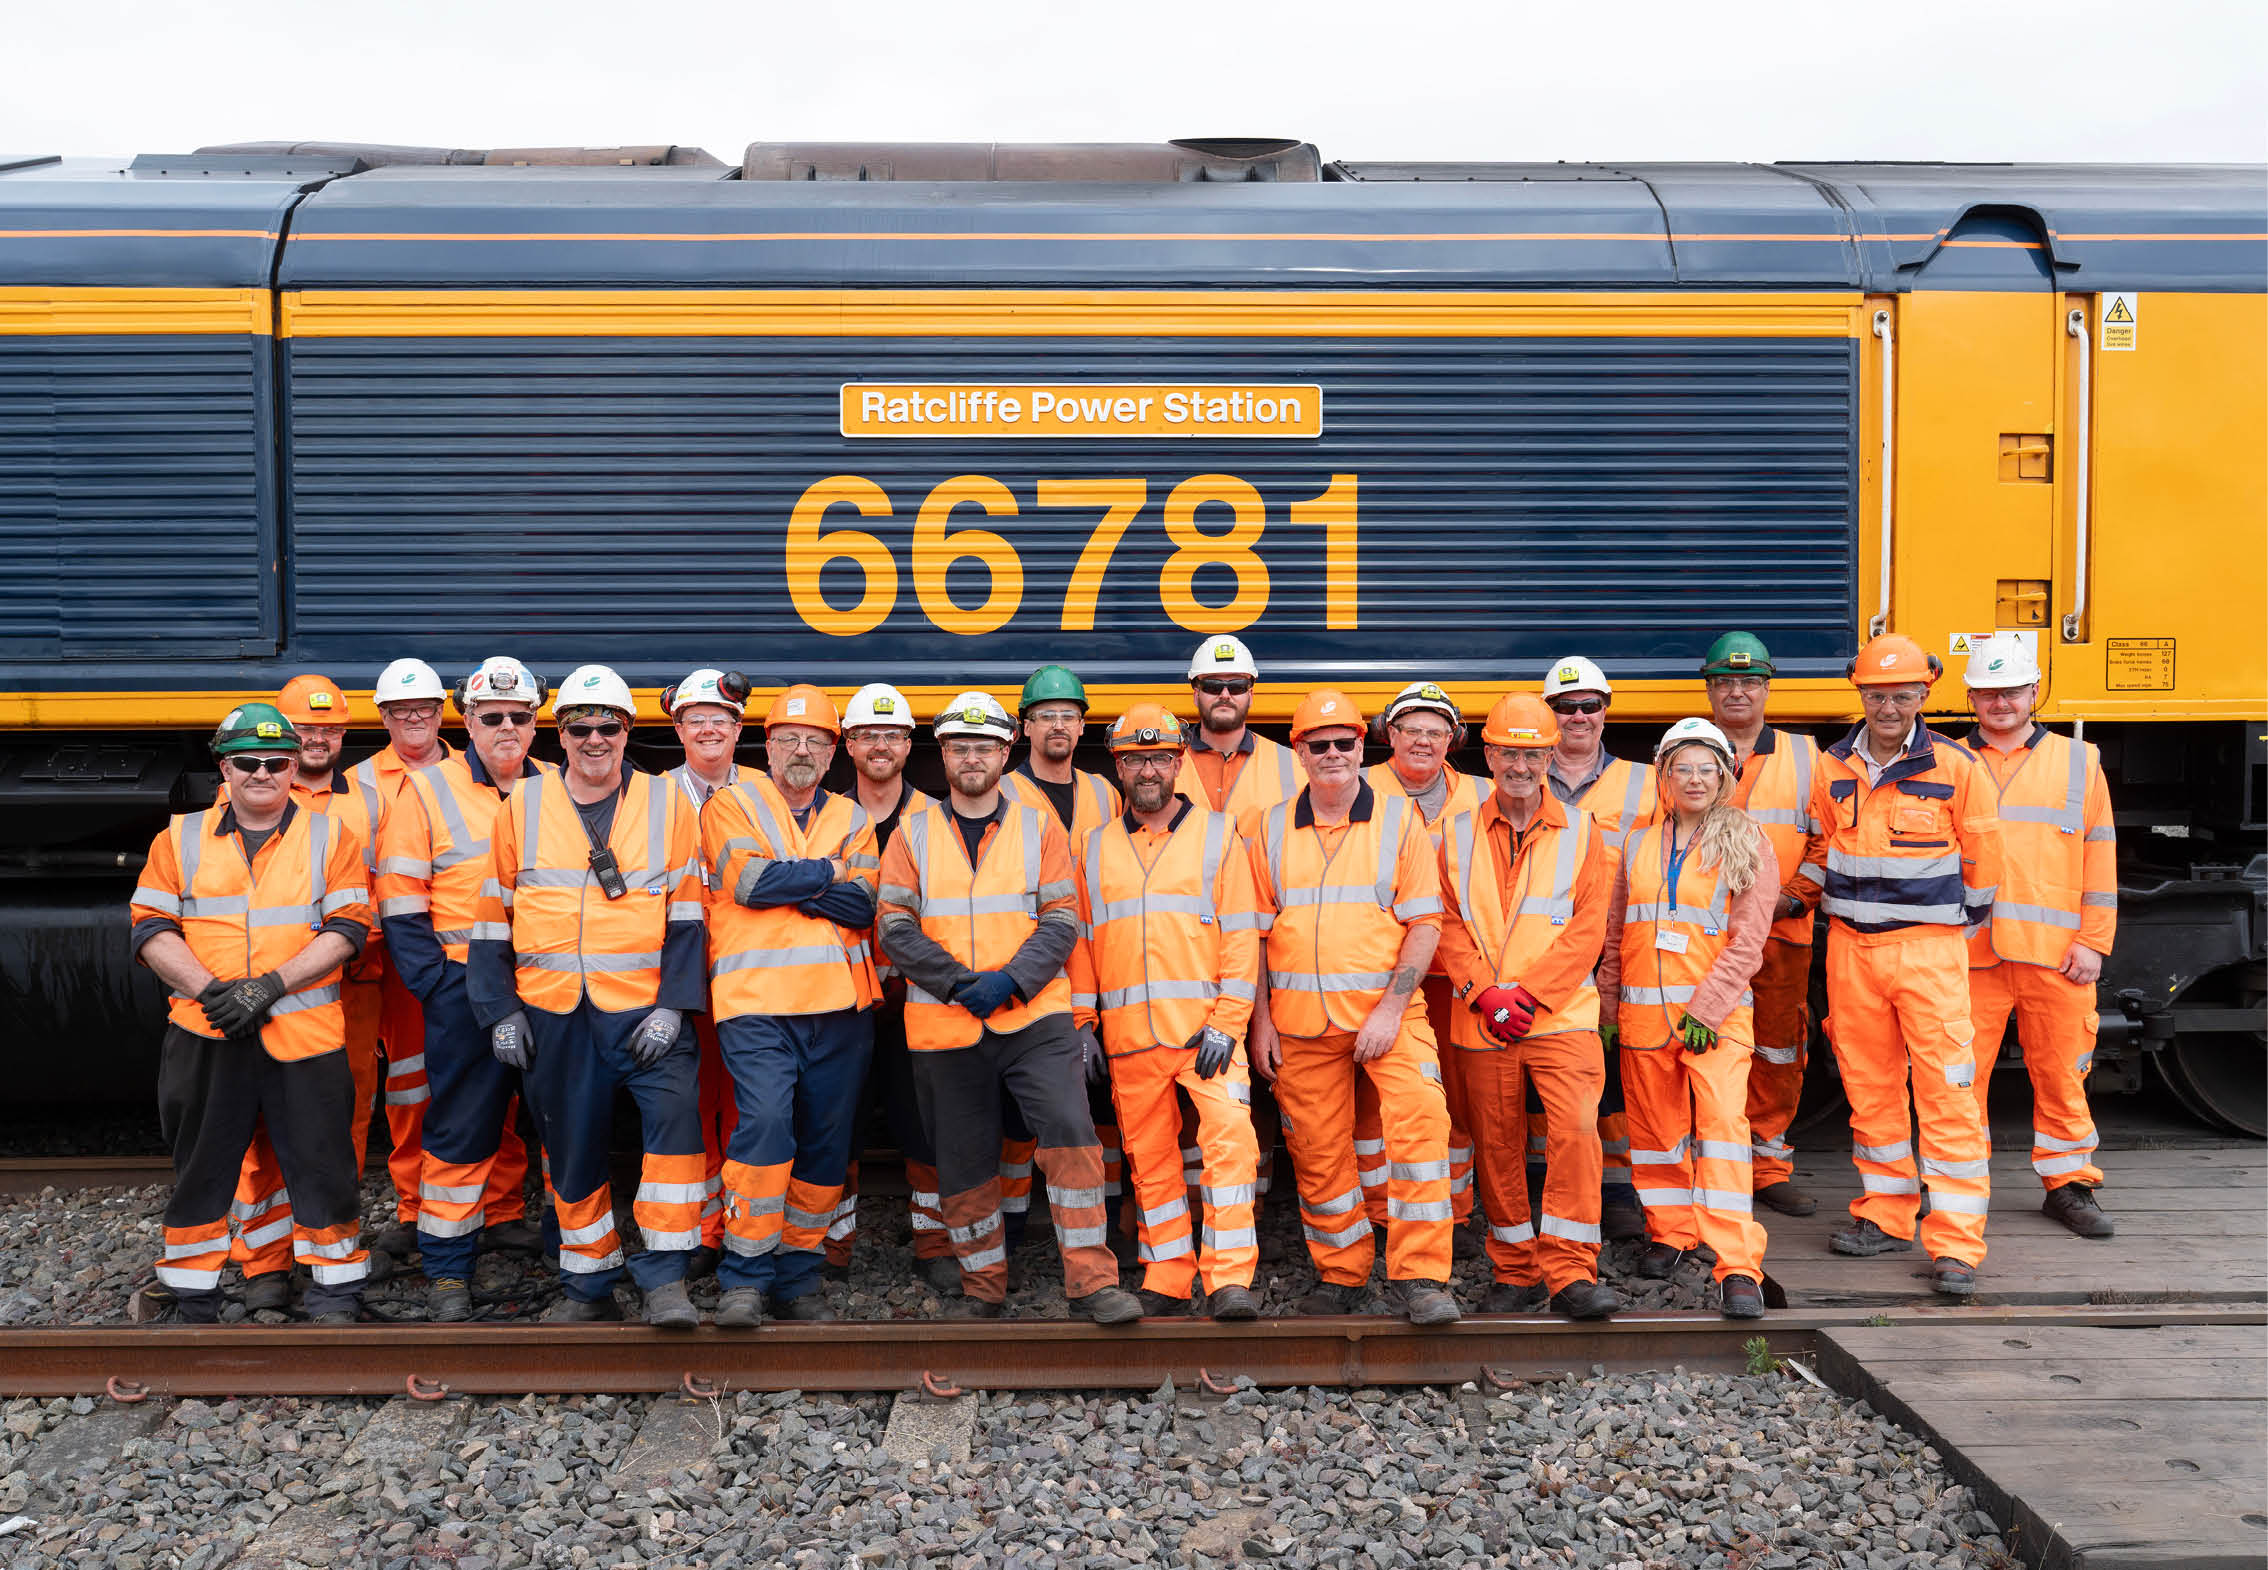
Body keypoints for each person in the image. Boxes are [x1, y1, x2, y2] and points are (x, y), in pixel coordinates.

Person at [874, 691, 1141, 1325]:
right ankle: (983, 1287)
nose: (973, 758)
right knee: (963, 1164)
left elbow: (1061, 920)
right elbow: (892, 926)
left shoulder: (1037, 826)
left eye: (985, 748)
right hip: (946, 1022)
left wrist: (1011, 983)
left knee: (1071, 1137)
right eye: (961, 748)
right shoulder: (913, 832)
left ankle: (1094, 1282)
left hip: (1034, 1018)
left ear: (1005, 752)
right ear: (943, 756)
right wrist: (962, 984)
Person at [468, 664, 710, 1326]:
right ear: (561, 733)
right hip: (554, 1016)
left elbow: (690, 916)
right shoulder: (522, 806)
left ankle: (666, 1281)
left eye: (609, 726)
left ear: (628, 731)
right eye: (581, 727)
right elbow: (491, 920)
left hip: (647, 1014)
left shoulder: (667, 805)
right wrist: (500, 1013)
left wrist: (673, 1007)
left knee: (675, 1137)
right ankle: (588, 1283)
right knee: (569, 1149)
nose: (595, 739)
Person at [128, 704, 373, 1324]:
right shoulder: (176, 839)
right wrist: (216, 992)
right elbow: (150, 928)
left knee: (323, 1167)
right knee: (203, 1167)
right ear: (223, 768)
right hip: (205, 1031)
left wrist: (265, 987)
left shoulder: (330, 836)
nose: (262, 773)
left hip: (304, 1035)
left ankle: (335, 1291)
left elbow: (348, 929)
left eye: (277, 762)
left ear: (295, 768)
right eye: (248, 762)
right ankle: (193, 1293)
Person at [1248, 689, 1460, 1327]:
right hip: (1299, 1023)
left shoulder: (1400, 822)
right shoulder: (1266, 827)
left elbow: (1426, 924)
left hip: (1388, 1017)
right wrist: (1259, 1021)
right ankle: (1342, 1272)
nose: (1334, 754)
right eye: (1320, 744)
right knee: (1317, 1150)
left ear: (1362, 748)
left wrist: (1392, 1008)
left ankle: (1421, 1277)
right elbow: (1254, 934)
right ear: (1299, 753)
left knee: (1422, 1125)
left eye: (1345, 742)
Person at [1809, 634, 2003, 1297]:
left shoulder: (1957, 766)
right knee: (1869, 1088)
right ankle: (1887, 1215)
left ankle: (1955, 1243)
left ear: (1924, 695)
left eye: (1900, 694)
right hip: (1850, 949)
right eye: (1875, 694)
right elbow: (1823, 843)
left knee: (1947, 1094)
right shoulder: (1831, 763)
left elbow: (1983, 866)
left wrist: (1950, 929)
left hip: (1927, 950)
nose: (1887, 706)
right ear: (1859, 695)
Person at [1067, 703, 1264, 1320]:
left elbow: (1241, 935)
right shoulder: (1094, 849)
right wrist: (1083, 1024)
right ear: (1119, 768)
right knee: (1149, 1163)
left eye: (1158, 758)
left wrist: (1230, 1023)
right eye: (1133, 760)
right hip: (1130, 1039)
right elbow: (1082, 944)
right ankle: (1168, 1276)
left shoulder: (1219, 836)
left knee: (1230, 1148)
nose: (1147, 770)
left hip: (1208, 1034)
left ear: (1178, 762)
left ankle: (1229, 1279)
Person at [377, 657, 555, 1321]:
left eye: (519, 716)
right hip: (462, 989)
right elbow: (400, 901)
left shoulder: (564, 788)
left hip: (550, 984)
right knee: (459, 1125)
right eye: (491, 717)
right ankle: (447, 1269)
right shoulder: (427, 791)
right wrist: (436, 987)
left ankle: (571, 1261)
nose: (506, 727)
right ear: (469, 723)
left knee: (562, 1125)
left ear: (536, 724)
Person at [700, 685, 881, 1328]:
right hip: (756, 1006)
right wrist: (829, 873)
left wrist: (796, 881)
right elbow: (748, 884)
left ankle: (797, 1276)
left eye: (814, 740)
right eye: (788, 739)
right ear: (766, 746)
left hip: (841, 1008)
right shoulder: (729, 805)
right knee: (766, 1130)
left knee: (826, 1147)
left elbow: (865, 907)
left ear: (833, 751)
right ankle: (745, 1277)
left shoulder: (854, 817)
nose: (801, 750)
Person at [1436, 694, 1621, 1320]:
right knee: (1496, 1146)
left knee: (1573, 1134)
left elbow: (1588, 929)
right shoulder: (1453, 835)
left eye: (1533, 753)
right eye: (1509, 752)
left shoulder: (1585, 833)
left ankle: (1570, 1271)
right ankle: (1515, 1270)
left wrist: (1528, 995)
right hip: (1480, 1017)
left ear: (1551, 756)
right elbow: (1444, 922)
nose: (1521, 765)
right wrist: (1482, 992)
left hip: (1560, 1015)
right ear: (1488, 754)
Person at [1598, 718, 1775, 1319]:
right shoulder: (1640, 843)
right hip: (1644, 1019)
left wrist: (1707, 1007)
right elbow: (1617, 932)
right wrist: (1608, 1003)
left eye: (1707, 769)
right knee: (1654, 1137)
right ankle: (1671, 1232)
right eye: (1683, 769)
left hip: (1714, 1023)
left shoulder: (1746, 840)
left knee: (1723, 1134)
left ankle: (1738, 1265)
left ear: (1724, 776)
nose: (1694, 779)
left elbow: (1748, 941)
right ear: (1664, 776)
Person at [223, 674, 387, 1310]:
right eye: (306, 730)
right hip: (254, 999)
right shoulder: (239, 799)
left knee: (339, 1127)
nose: (320, 739)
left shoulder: (369, 799)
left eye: (332, 729)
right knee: (255, 1132)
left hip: (346, 989)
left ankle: (326, 1256)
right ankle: (265, 1261)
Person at [1962, 633, 2119, 1239]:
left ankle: (2069, 1185)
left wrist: (2094, 940)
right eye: (1988, 692)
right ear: (1972, 697)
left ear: (2034, 692)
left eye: (2012, 691)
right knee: (1957, 1080)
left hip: (2057, 956)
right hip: (1969, 953)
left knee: (2061, 1073)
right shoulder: (1950, 761)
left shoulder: (2081, 761)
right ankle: (1957, 1187)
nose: (2001, 702)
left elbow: (2100, 853)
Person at [354, 656, 508, 1259]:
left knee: (496, 1090)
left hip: (475, 965)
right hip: (408, 957)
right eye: (400, 710)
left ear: (445, 715)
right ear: (383, 716)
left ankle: (502, 1206)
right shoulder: (362, 783)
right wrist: (433, 977)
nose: (414, 719)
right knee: (417, 1088)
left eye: (423, 708)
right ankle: (417, 1205)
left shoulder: (483, 773)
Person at [829, 682, 961, 1293]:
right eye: (867, 735)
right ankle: (831, 1244)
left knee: (926, 1123)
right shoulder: (826, 816)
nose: (880, 746)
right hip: (842, 995)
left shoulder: (936, 819)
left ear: (909, 745)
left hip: (916, 997)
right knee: (837, 1120)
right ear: (848, 745)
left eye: (892, 735)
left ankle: (934, 1244)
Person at [1002, 663, 1129, 1258]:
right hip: (1032, 966)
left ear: (1082, 728)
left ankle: (1099, 1223)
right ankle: (1011, 1230)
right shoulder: (1002, 790)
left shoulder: (1105, 791)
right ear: (1025, 726)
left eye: (1069, 716)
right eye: (1046, 715)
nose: (1058, 725)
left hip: (1103, 962)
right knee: (1022, 1108)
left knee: (1101, 1101)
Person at [1700, 633, 1826, 1217]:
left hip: (1781, 933)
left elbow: (1832, 843)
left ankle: (1767, 1166)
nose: (1737, 691)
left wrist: (1792, 900)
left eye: (1749, 681)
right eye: (1725, 681)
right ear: (1709, 690)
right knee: (1704, 1043)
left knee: (1777, 1049)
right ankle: (1709, 1163)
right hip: (1703, 938)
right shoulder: (1688, 750)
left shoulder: (1807, 757)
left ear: (1767, 688)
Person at [1173, 635, 1300, 1211]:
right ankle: (1201, 1206)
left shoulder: (1288, 764)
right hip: (1182, 947)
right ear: (1193, 691)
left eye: (1236, 686)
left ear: (1253, 691)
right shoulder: (1162, 758)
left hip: (1269, 943)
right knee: (1192, 1076)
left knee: (1263, 1074)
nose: (1225, 695)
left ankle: (1253, 1205)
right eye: (1212, 686)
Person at [1358, 680, 1484, 1240]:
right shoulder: (1359, 787)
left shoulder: (1482, 795)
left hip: (1455, 975)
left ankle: (1451, 1209)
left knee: (1450, 1097)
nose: (1423, 741)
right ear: (1390, 734)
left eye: (1436, 731)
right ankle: (1378, 1208)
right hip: (1380, 974)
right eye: (1411, 729)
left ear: (1453, 738)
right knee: (1373, 1103)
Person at [1542, 655, 1656, 1242]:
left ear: (1606, 712)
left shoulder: (1643, 781)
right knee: (1543, 1075)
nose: (1578, 716)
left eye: (1590, 705)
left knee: (1610, 1075)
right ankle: (1549, 1185)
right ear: (1550, 714)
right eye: (1566, 706)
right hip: (1542, 946)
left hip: (1616, 947)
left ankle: (1615, 1188)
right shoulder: (1524, 775)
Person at [662, 667, 751, 1274]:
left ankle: (743, 1226)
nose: (708, 730)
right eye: (696, 721)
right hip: (681, 975)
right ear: (678, 729)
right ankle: (700, 1230)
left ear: (738, 729)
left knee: (748, 1106)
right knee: (692, 1105)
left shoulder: (763, 794)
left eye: (720, 721)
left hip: (749, 973)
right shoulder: (653, 794)